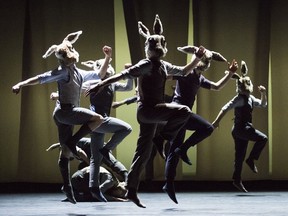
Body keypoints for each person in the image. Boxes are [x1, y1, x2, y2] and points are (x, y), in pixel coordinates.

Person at [85, 14, 205, 208]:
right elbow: (123, 74)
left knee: (143, 153)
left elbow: (183, 71)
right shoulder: (146, 64)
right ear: (149, 50)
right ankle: (163, 137)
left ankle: (131, 190)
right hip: (148, 111)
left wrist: (196, 58)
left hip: (153, 112)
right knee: (183, 111)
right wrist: (102, 84)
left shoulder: (164, 65)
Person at [12, 30, 111, 204]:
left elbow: (99, 75)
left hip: (63, 114)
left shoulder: (77, 72)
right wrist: (21, 84)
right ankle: (73, 142)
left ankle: (67, 186)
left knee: (64, 154)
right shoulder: (63, 71)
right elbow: (41, 78)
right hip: (66, 112)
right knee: (97, 119)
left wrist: (108, 58)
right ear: (61, 58)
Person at [162, 45, 239, 204]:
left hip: (184, 115)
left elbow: (217, 87)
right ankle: (181, 152)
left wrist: (231, 73)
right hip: (178, 113)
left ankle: (169, 183)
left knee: (174, 151)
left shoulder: (200, 78)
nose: (204, 65)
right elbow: (167, 76)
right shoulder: (186, 73)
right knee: (207, 128)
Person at [212, 60, 268, 192]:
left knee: (239, 156)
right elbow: (224, 108)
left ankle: (237, 180)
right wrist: (216, 122)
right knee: (263, 138)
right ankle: (251, 159)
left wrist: (263, 93)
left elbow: (263, 104)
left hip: (241, 130)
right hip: (241, 129)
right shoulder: (240, 98)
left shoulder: (250, 98)